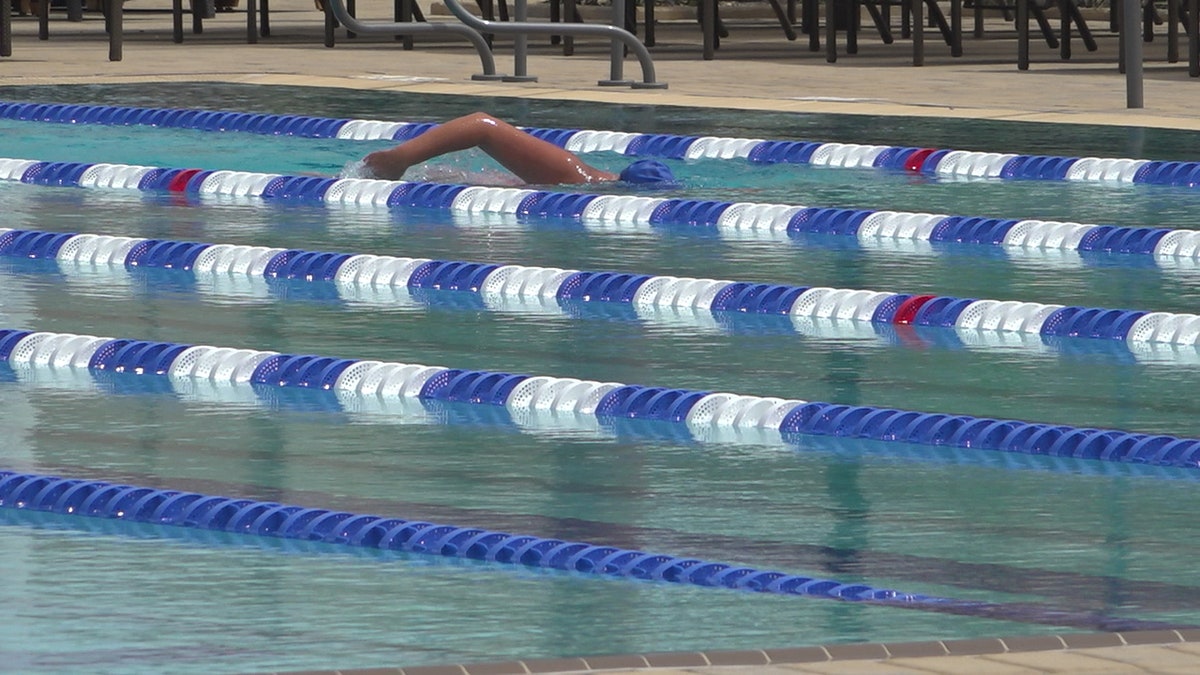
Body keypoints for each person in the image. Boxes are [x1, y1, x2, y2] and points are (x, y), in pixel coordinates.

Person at [361, 112, 676, 188]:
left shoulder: (579, 180)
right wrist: (399, 160)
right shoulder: (575, 176)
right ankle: (399, 160)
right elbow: (481, 125)